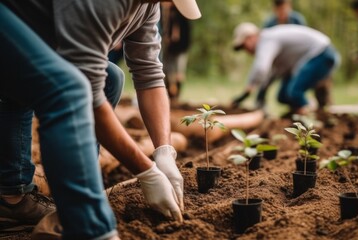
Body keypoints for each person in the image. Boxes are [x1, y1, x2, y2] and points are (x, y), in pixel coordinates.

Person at [0, 0, 201, 239]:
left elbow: (150, 73)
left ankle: (62, 189)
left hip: (35, 36)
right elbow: (88, 92)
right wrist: (146, 171)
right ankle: (83, 223)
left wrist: (164, 151)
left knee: (111, 78)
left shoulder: (148, 7)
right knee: (68, 89)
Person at [231, 23, 340, 116]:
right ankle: (307, 110)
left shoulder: (266, 39)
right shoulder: (269, 41)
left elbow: (261, 68)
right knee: (283, 96)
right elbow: (272, 74)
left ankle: (310, 119)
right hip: (309, 59)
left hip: (322, 53)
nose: (246, 51)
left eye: (244, 46)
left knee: (294, 93)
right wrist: (261, 92)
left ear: (251, 37)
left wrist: (249, 90)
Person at [161, 2, 192, 102]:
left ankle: (175, 95)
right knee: (167, 70)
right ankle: (170, 94)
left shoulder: (178, 15)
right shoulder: (167, 13)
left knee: (178, 72)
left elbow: (176, 35)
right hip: (171, 48)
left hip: (179, 47)